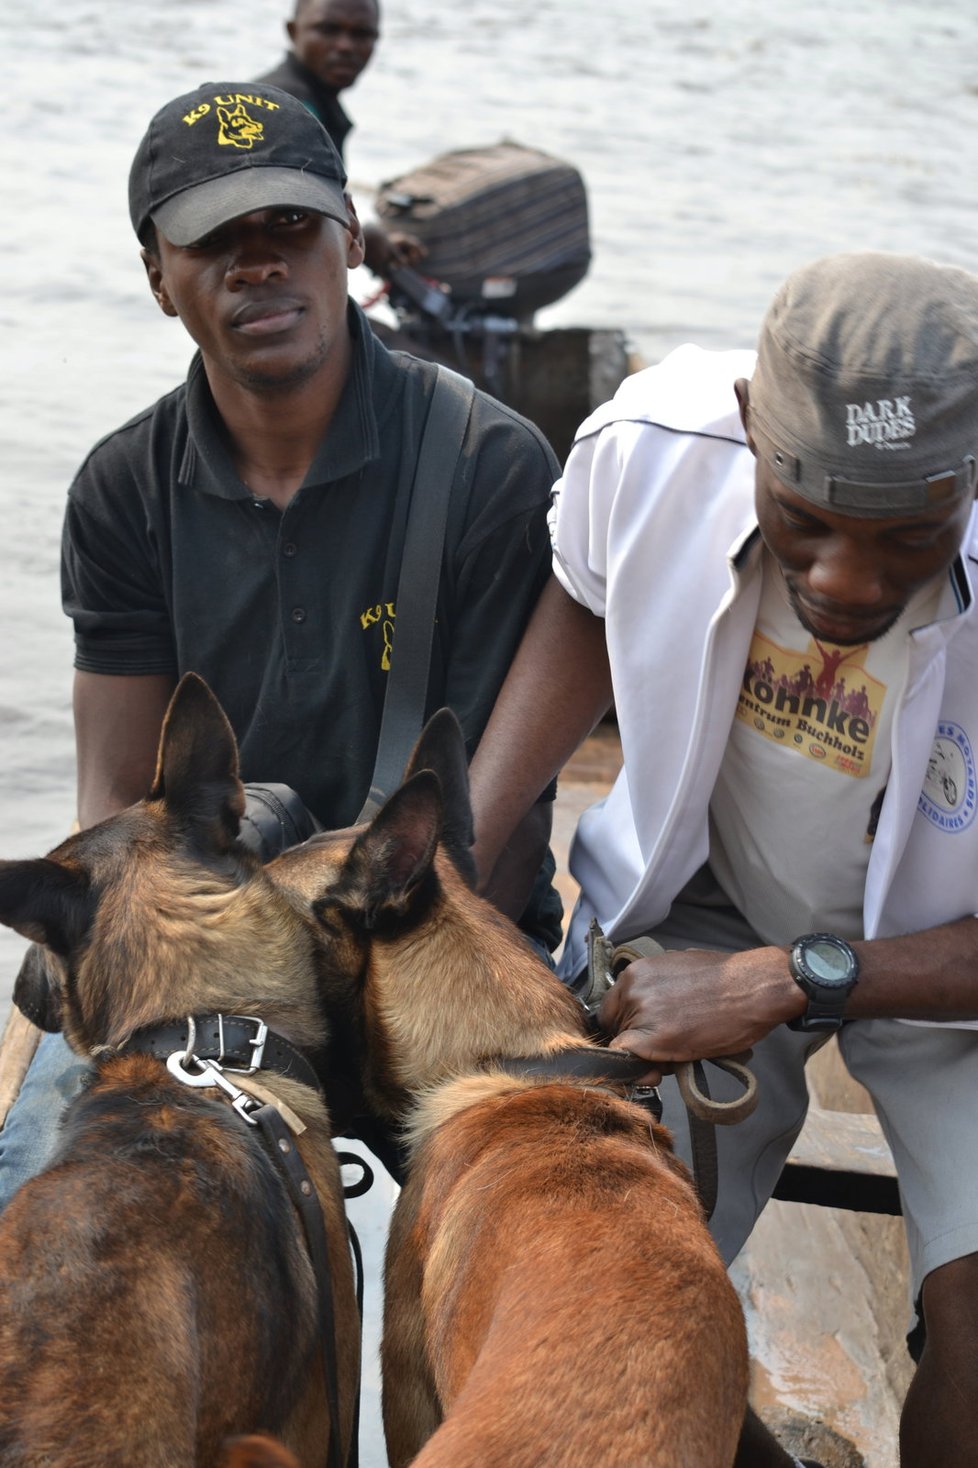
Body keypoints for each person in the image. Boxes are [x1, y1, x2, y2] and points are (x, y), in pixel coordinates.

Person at [0, 79, 560, 1200]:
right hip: (222, 986)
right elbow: (116, 811)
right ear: (159, 278)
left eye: (290, 226)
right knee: (36, 1222)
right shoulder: (123, 490)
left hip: (430, 953)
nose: (260, 263)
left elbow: (470, 849)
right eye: (215, 240)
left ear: (349, 239)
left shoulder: (489, 466)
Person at [469, 251, 978, 1467]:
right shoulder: (647, 445)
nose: (845, 582)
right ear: (752, 424)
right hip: (701, 896)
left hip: (952, 968)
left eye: (909, 539)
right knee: (591, 1253)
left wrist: (786, 979)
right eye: (803, 522)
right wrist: (463, 840)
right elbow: (587, 604)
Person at [255, 0, 421, 277]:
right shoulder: (289, 111)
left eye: (362, 34)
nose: (345, 46)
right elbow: (282, 227)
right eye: (328, 30)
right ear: (293, 31)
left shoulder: (305, 99)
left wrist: (366, 238)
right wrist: (361, 237)